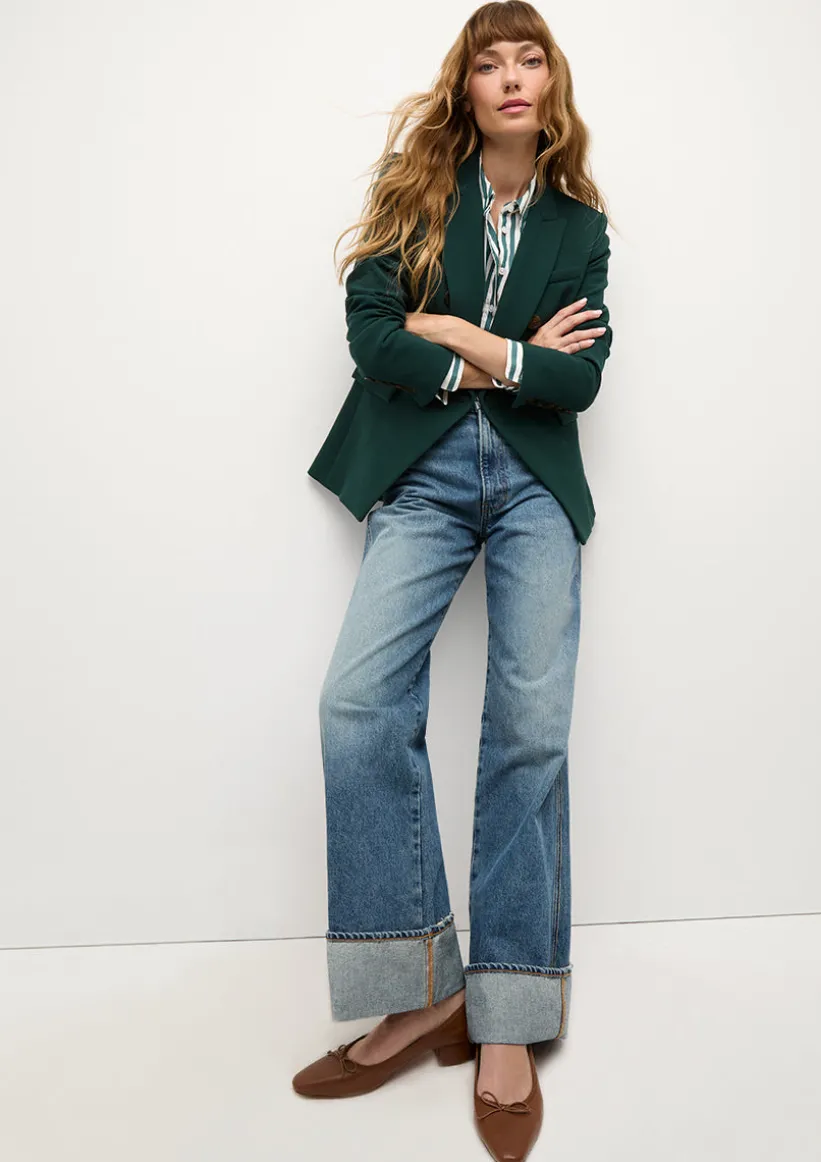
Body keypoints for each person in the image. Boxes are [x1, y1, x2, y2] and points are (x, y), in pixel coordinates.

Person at [295, 4, 612, 1159]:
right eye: (490, 60)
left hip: (532, 483)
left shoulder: (578, 226)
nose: (511, 75)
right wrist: (510, 358)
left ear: (550, 84)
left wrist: (465, 336)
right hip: (423, 475)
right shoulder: (418, 188)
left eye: (530, 57)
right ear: (465, 86)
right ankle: (421, 987)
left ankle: (507, 1010)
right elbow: (372, 336)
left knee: (528, 725)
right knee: (356, 704)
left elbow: (579, 383)